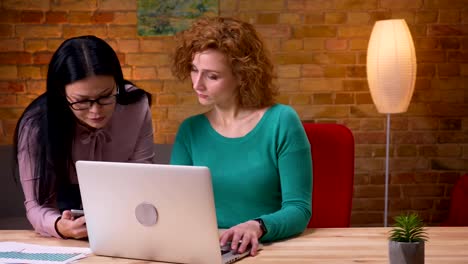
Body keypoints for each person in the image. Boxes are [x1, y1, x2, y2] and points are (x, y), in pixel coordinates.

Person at [170, 17, 312, 256]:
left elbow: (299, 209)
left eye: (212, 76)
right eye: (194, 70)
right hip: (209, 250)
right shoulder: (190, 130)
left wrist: (257, 226)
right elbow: (173, 204)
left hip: (267, 249)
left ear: (242, 76)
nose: (197, 84)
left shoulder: (281, 121)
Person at [14, 35, 155, 239]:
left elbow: (143, 176)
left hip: (124, 211)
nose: (96, 111)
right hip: (65, 216)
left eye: (106, 96)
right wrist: (59, 226)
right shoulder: (35, 125)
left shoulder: (135, 105)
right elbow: (36, 204)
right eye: (81, 101)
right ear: (62, 95)